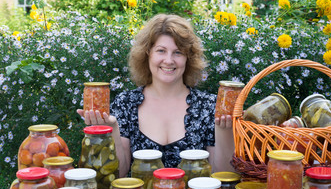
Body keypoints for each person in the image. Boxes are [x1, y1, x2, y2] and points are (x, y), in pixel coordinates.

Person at [77, 14, 235, 177]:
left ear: (188, 58)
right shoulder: (126, 104)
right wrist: (111, 131)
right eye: (161, 51)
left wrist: (226, 131)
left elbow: (223, 176)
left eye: (178, 52)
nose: (169, 60)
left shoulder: (208, 106)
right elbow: (119, 175)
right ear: (147, 54)